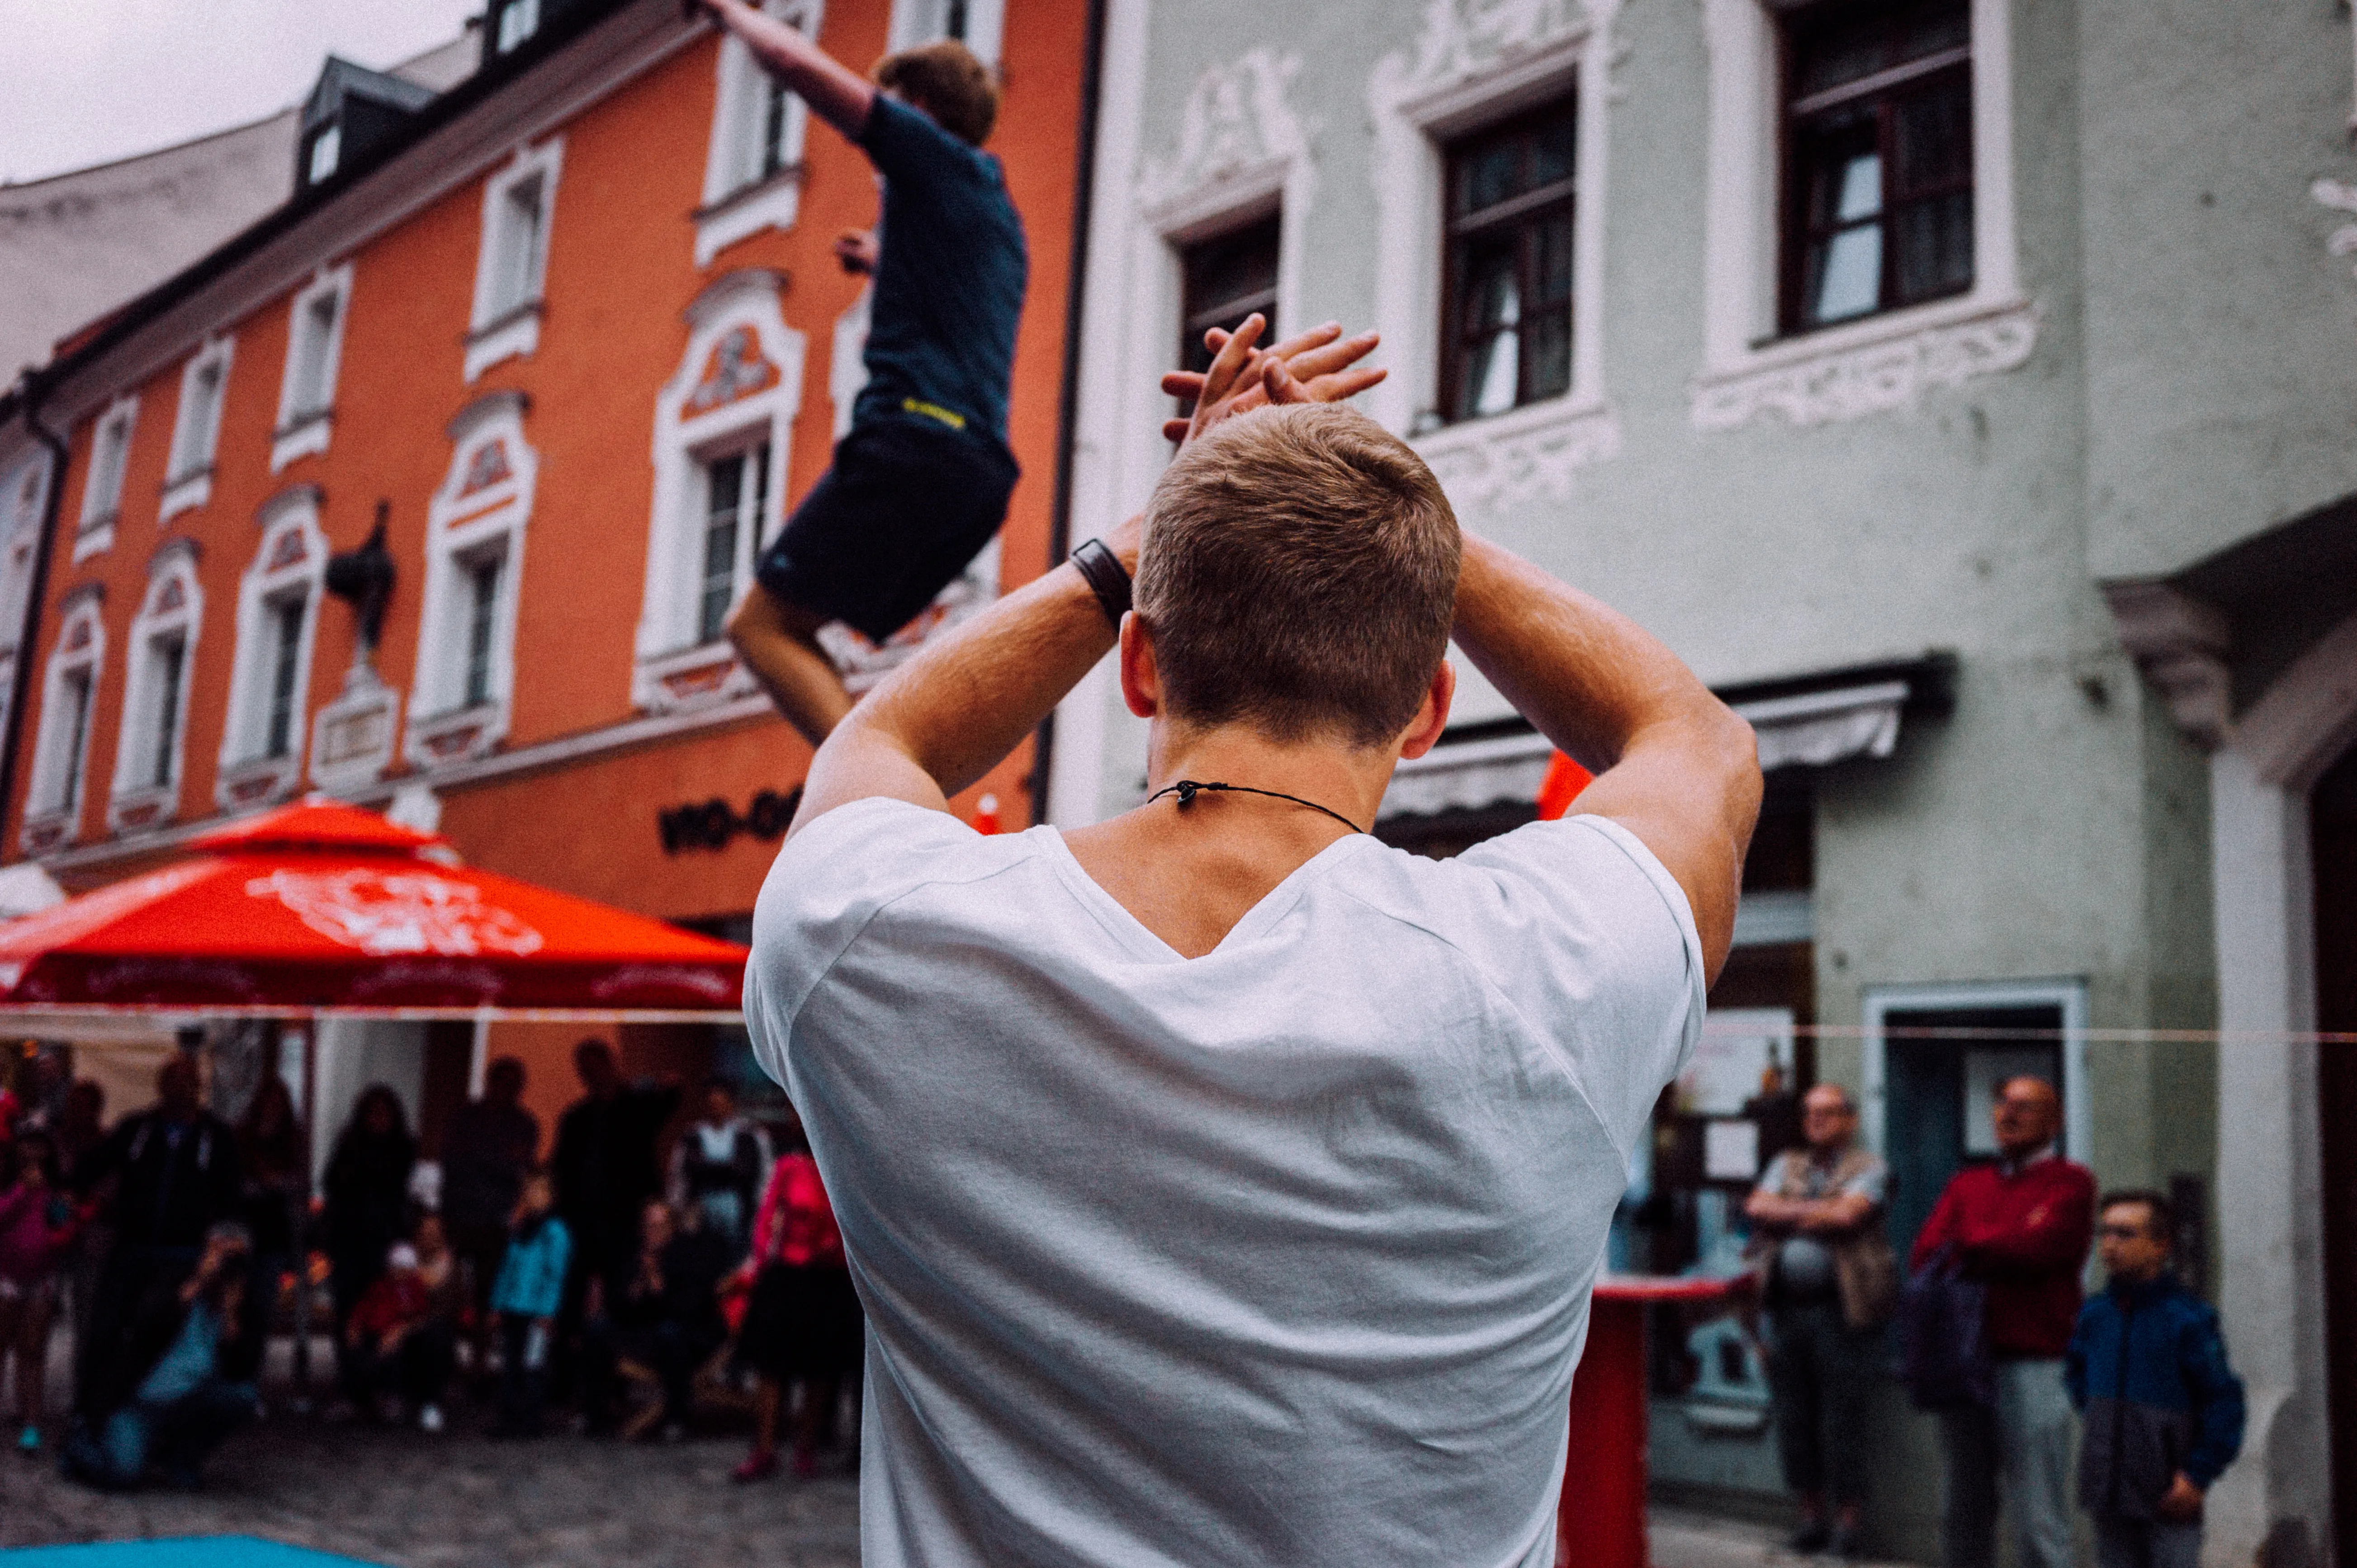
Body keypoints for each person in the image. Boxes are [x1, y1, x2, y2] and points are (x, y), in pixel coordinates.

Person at [737, 317, 1761, 1562]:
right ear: (1429, 704)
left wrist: (1145, 541)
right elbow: (1696, 742)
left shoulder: (878, 935)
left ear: (1136, 667)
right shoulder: (1554, 963)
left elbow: (873, 745)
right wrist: (1393, 509)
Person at [694, 0, 1028, 749]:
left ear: (922, 110)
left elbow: (794, 64)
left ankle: (881, 799)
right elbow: (956, 294)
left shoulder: (931, 156)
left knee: (759, 625)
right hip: (976, 478)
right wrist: (881, 261)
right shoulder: (995, 214)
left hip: (914, 443)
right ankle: (895, 782)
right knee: (807, 631)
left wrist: (727, 12)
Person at [1912, 1077, 2097, 1568]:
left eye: (2025, 1106)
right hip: (1963, 1365)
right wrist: (2000, 1239)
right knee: (1961, 1507)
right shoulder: (1967, 1183)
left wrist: (1972, 1244)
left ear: (2054, 1122)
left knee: (2038, 1514)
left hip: (2033, 1363)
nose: (2007, 1114)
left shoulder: (2070, 1183)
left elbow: (2039, 1249)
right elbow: (1927, 1253)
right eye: (2002, 1104)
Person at [1744, 1083, 1898, 1558]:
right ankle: (1810, 1520)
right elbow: (1756, 1207)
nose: (1816, 1122)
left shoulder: (1871, 1168)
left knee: (1842, 1421)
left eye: (1828, 1114)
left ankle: (1847, 1527)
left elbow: (1849, 1217)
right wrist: (1817, 1211)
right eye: (1810, 1114)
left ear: (1850, 1120)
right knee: (1794, 1417)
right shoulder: (1786, 1164)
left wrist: (1785, 1217)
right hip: (1787, 1311)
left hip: (1843, 1313)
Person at [2065, 1192, 2245, 1568]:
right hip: (2110, 1491)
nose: (2111, 1245)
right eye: (2105, 1233)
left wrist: (2197, 1475)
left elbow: (2223, 1399)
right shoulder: (2096, 1315)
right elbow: (2077, 1375)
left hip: (2168, 1494)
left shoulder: (2186, 1319)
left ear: (2160, 1245)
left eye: (2125, 1234)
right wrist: (2104, 1427)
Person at [72, 1056, 241, 1417]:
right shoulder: (138, 1130)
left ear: (198, 1087)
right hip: (132, 1247)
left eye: (187, 1080)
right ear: (161, 1085)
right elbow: (90, 1168)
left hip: (185, 1254)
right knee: (106, 1332)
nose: (180, 1088)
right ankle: (90, 1413)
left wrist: (219, 1252)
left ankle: (152, 1418)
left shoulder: (216, 1137)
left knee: (167, 1336)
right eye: (173, 1080)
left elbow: (231, 1198)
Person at [62, 1220, 260, 1491]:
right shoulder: (177, 1278)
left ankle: (179, 1460)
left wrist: (231, 1316)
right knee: (122, 1476)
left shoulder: (240, 1299)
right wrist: (200, 1281)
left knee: (241, 1397)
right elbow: (146, 1322)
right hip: (141, 1404)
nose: (229, 1264)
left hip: (187, 1403)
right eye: (225, 1254)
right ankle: (80, 1447)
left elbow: (245, 1368)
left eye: (237, 1257)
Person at [550, 1039, 679, 1390]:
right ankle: (567, 1381)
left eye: (596, 1067)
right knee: (571, 1301)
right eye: (585, 1069)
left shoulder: (635, 1107)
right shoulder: (577, 1117)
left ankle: (611, 1383)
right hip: (582, 1221)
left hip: (623, 1222)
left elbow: (669, 1097)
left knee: (617, 1299)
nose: (590, 1075)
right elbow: (561, 1168)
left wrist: (640, 1083)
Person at [733, 1129, 861, 1481]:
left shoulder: (843, 1169)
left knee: (818, 1368)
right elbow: (767, 1215)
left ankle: (806, 1447)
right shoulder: (789, 1166)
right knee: (770, 1366)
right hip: (786, 1275)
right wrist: (762, 1263)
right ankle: (765, 1448)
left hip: (827, 1280)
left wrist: (834, 1248)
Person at [587, 1199, 732, 1442]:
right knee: (598, 1329)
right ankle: (595, 1411)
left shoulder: (688, 1255)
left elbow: (690, 1307)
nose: (651, 1233)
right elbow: (620, 1305)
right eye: (647, 1227)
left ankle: (676, 1417)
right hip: (645, 1333)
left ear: (671, 1228)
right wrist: (634, 1294)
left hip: (687, 1337)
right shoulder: (637, 1256)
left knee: (670, 1333)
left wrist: (657, 1286)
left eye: (658, 1227)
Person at [441, 1055, 540, 1384]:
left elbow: (520, 1169)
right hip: (462, 1216)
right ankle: (446, 1357)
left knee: (489, 1295)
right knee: (450, 1291)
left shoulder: (524, 1123)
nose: (509, 1090)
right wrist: (497, 1164)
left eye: (515, 1085)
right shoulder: (466, 1118)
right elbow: (454, 1162)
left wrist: (486, 1162)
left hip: (498, 1221)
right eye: (504, 1083)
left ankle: (479, 1364)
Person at [321, 1085, 416, 1393]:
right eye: (374, 1112)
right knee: (349, 1313)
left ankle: (382, 1385)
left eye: (385, 1113)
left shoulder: (402, 1148)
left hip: (384, 1241)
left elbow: (398, 1189)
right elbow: (332, 1182)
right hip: (349, 1239)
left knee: (386, 1313)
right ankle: (351, 1384)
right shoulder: (349, 1145)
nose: (379, 1119)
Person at [0, 1131, 78, 1452]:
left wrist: (66, 1210)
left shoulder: (55, 1189)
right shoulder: (9, 1184)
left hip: (42, 1278)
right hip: (6, 1276)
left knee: (33, 1352)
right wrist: (22, 1191)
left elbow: (62, 1226)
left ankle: (31, 1421)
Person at [342, 1234, 458, 1432]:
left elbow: (422, 1314)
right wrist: (355, 1326)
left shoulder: (415, 1288)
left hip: (403, 1338)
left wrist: (400, 1331)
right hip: (376, 1334)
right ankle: (367, 1398)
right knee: (369, 1361)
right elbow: (363, 1308)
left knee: (399, 1360)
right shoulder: (380, 1287)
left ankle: (407, 1399)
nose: (399, 1274)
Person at [232, 1078, 305, 1385]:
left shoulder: (292, 1140)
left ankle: (251, 1377)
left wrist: (278, 1183)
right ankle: (232, 1372)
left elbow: (297, 1181)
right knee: (236, 1305)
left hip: (273, 1233)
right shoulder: (241, 1136)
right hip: (241, 1230)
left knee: (261, 1307)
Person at [488, 1168, 569, 1439]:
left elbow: (555, 1273)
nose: (534, 1196)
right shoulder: (520, 1229)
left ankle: (532, 1421)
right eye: (530, 1191)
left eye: (540, 1191)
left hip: (536, 1312)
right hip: (513, 1307)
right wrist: (497, 1304)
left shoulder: (555, 1231)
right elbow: (506, 1268)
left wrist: (548, 1310)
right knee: (509, 1365)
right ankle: (509, 1419)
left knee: (533, 1367)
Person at [666, 1078, 771, 1253]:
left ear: (731, 1102)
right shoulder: (692, 1137)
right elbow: (679, 1176)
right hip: (701, 1209)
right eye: (712, 1102)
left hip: (741, 1211)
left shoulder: (752, 1136)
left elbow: (764, 1177)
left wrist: (763, 1213)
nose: (716, 1107)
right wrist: (677, 1210)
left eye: (721, 1101)